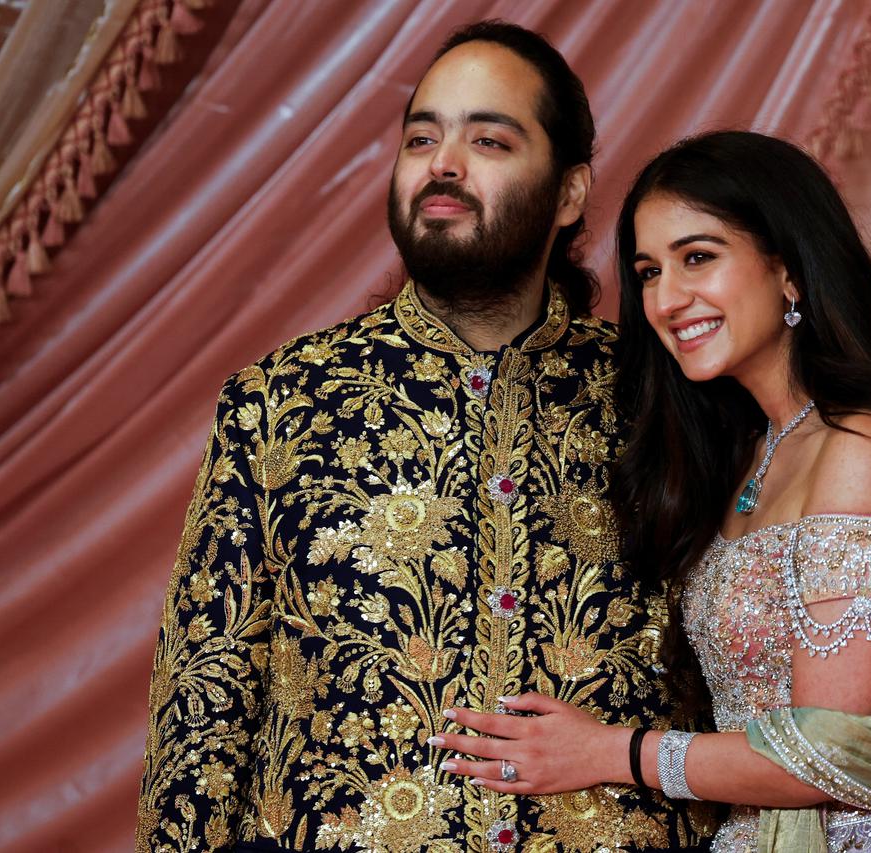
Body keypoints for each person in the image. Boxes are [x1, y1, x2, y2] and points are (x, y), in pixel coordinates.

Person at [135, 22, 717, 853]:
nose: (443, 162)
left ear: (569, 193)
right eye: (421, 137)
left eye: (488, 138)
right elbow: (203, 709)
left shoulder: (660, 394)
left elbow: (747, 672)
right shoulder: (281, 400)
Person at [435, 131, 871, 853]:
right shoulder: (752, 454)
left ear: (789, 270)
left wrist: (610, 753)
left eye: (698, 257)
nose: (666, 297)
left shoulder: (867, 446)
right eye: (649, 271)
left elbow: (828, 751)